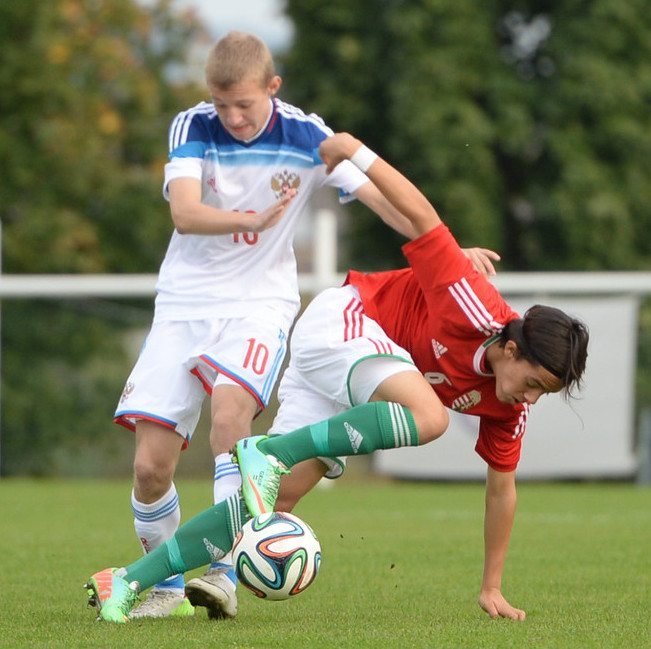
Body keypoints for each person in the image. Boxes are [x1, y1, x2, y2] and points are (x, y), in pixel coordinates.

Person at [86, 132, 588, 623]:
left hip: (342, 374)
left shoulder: (508, 406)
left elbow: (502, 490)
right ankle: (268, 452)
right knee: (429, 417)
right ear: (511, 347)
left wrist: (491, 586)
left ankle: (129, 580)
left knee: (268, 502)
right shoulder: (471, 300)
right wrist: (355, 151)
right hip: (344, 321)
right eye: (535, 383)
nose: (532, 398)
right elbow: (421, 218)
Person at [113, 30, 499, 620]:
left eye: (244, 104)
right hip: (183, 305)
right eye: (222, 105)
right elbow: (186, 214)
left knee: (231, 414)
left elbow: (382, 200)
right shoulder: (192, 126)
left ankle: (223, 572)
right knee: (150, 466)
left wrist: (445, 249)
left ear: (273, 87)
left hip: (260, 303)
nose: (233, 117)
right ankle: (164, 589)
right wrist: (251, 216)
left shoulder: (307, 135)